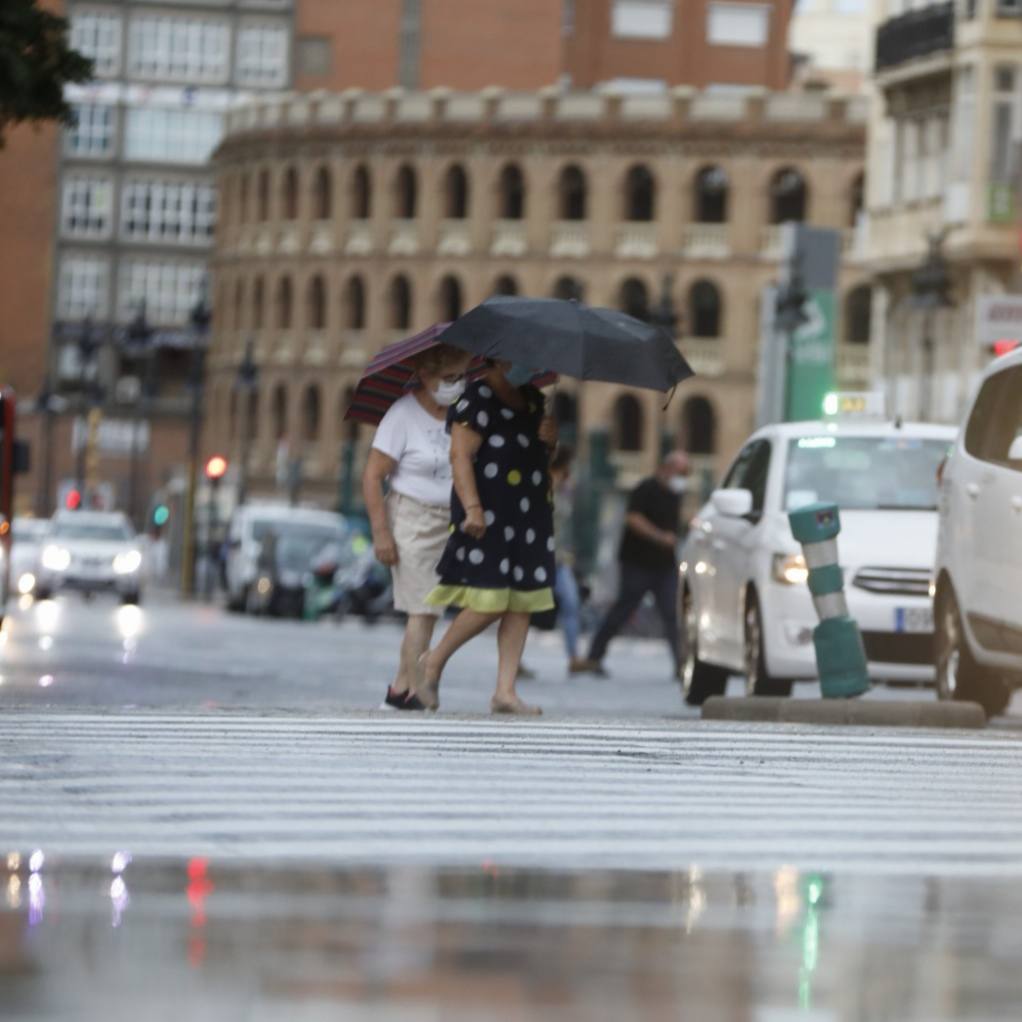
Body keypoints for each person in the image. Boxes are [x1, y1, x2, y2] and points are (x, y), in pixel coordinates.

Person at [416, 360, 558, 715]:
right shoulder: (476, 397)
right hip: (488, 513)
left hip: (529, 513)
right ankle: (433, 662)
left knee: (522, 601)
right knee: (490, 599)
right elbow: (460, 456)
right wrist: (473, 508)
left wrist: (550, 442)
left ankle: (505, 691)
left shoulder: (533, 400)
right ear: (498, 358)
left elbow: (534, 457)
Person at [362, 344, 473, 711]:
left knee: (426, 608)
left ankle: (399, 689)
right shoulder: (402, 415)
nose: (456, 385)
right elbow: (373, 475)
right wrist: (381, 533)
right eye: (449, 378)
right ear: (425, 377)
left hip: (450, 521)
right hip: (411, 517)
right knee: (423, 608)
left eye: (462, 377)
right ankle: (418, 690)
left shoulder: (462, 413)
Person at [576, 451, 691, 680]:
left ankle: (681, 665)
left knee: (671, 614)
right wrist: (659, 537)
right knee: (623, 610)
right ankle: (594, 656)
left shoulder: (675, 495)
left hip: (664, 565)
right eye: (682, 472)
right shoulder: (645, 488)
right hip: (637, 563)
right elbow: (633, 519)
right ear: (667, 468)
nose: (684, 478)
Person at [549, 445, 587, 675]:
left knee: (571, 603)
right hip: (537, 556)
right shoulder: (547, 482)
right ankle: (515, 661)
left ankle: (573, 657)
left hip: (559, 558)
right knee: (521, 608)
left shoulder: (565, 488)